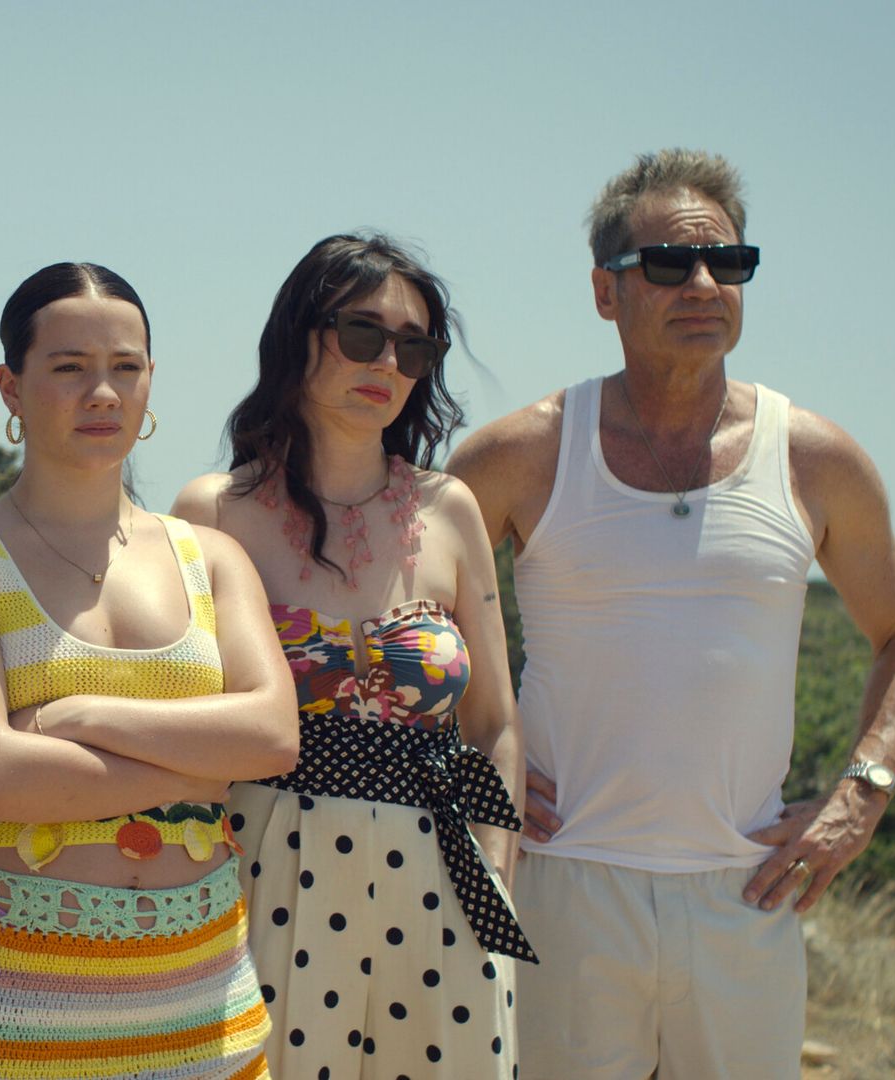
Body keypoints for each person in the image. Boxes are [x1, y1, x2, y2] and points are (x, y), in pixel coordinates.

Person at [446, 149, 895, 1079]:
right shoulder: (525, 452)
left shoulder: (815, 459)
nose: (704, 285)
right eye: (669, 266)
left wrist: (859, 798)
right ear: (607, 292)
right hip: (561, 881)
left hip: (746, 890)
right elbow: (395, 618)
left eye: (730, 263)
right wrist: (463, 760)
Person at [0, 262, 300, 1079]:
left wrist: (78, 717)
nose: (103, 393)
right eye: (69, 368)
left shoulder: (212, 559)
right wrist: (196, 770)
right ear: (11, 387)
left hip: (202, 1003)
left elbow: (272, 737)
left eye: (126, 367)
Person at [173, 234, 535, 1079]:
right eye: (363, 333)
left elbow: (495, 725)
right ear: (300, 333)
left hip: (447, 876)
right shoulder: (213, 511)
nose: (390, 362)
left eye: (416, 346)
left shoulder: (452, 510)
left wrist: (496, 877)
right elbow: (181, 711)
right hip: (264, 863)